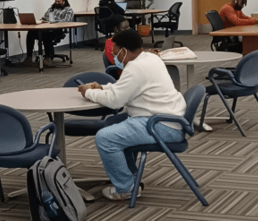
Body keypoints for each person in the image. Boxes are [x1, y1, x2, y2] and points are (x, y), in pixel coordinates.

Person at [78, 29, 187, 201]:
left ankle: (126, 188)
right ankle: (132, 178)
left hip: (160, 124)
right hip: (170, 119)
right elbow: (125, 87)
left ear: (124, 51)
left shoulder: (135, 67)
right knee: (114, 124)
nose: (115, 58)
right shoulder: (149, 58)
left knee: (105, 138)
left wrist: (88, 93)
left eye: (115, 53)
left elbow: (115, 101)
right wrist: (102, 88)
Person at [23, 0, 74, 67]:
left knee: (47, 34)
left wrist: (53, 20)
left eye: (59, 2)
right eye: (56, 1)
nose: (57, 3)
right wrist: (42, 21)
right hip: (47, 28)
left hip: (58, 30)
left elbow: (67, 21)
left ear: (64, 1)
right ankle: (29, 57)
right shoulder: (51, 9)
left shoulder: (68, 10)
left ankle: (48, 57)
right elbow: (45, 17)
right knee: (31, 32)